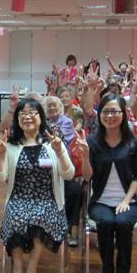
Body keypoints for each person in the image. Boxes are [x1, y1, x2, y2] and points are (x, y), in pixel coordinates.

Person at [0, 98, 74, 273]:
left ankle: (31, 270)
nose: (27, 117)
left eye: (32, 113)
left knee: (39, 218)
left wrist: (60, 153)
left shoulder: (53, 142)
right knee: (15, 216)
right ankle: (17, 270)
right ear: (17, 119)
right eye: (22, 113)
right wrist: (1, 155)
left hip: (48, 199)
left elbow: (69, 174)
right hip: (18, 197)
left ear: (41, 117)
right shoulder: (11, 145)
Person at [77, 94, 137, 273]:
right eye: (105, 111)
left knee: (123, 223)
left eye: (115, 111)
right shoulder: (92, 141)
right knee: (106, 222)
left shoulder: (133, 142)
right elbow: (87, 177)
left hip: (128, 200)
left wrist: (126, 200)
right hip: (100, 201)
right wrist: (85, 156)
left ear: (123, 114)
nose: (110, 115)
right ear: (99, 115)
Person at [43, 95, 81, 247]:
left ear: (60, 108)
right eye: (49, 105)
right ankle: (45, 229)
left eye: (55, 105)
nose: (52, 108)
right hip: (44, 169)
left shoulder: (67, 122)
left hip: (62, 166)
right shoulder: (41, 122)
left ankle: (71, 229)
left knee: (75, 191)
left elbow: (61, 142)